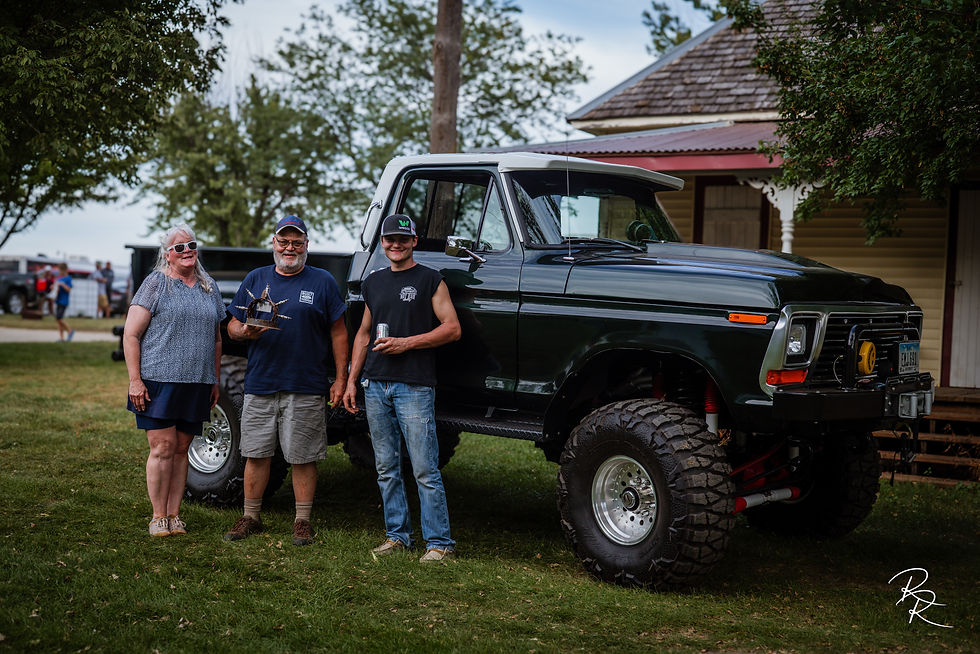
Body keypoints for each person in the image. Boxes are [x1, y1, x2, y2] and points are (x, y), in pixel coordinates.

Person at [223, 215, 349, 547]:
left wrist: (340, 377)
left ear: (306, 245)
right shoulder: (256, 277)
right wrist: (244, 330)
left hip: (306, 383)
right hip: (261, 382)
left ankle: (302, 521)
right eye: (284, 241)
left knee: (303, 456)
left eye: (296, 242)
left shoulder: (322, 281)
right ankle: (251, 516)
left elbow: (339, 332)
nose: (289, 248)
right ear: (274, 243)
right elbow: (232, 326)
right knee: (255, 453)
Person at [343, 214, 461, 563]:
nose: (396, 244)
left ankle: (440, 544)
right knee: (386, 467)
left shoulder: (430, 280)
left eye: (402, 239)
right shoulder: (374, 282)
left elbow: (452, 328)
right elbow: (363, 334)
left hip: (414, 386)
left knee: (425, 468)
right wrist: (352, 380)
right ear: (382, 243)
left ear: (414, 242)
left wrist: (406, 344)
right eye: (389, 239)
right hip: (375, 384)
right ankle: (397, 536)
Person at [123, 224, 226, 537]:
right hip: (157, 381)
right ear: (167, 254)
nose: (186, 251)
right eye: (179, 247)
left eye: (191, 245)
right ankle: (157, 517)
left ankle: (174, 514)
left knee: (182, 449)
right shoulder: (156, 283)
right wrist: (135, 380)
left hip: (196, 381)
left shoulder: (209, 287)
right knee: (162, 448)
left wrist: (215, 380)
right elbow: (131, 334)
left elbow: (217, 338)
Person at [53, 263, 74, 342]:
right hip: (58, 299)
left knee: (59, 318)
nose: (59, 272)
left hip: (64, 301)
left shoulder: (68, 278)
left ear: (64, 270)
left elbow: (69, 289)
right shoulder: (59, 278)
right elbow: (57, 290)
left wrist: (62, 285)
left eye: (60, 270)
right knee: (58, 320)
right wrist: (55, 287)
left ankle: (70, 331)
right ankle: (61, 338)